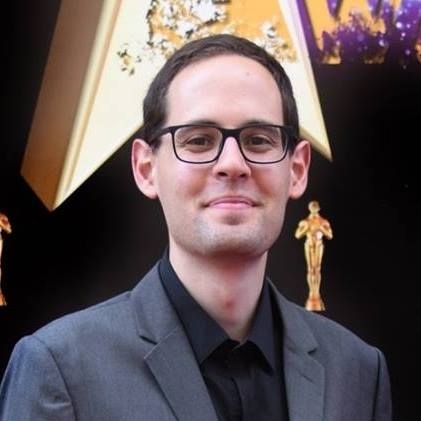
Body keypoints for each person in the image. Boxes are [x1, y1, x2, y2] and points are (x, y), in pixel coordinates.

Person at [0, 34, 392, 420]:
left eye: (258, 140)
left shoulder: (358, 371)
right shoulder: (61, 370)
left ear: (298, 169)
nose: (233, 164)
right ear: (146, 168)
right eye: (200, 140)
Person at [294, 200, 333, 311]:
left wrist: (321, 229)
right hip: (309, 245)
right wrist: (306, 228)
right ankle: (312, 294)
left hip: (319, 245)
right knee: (311, 270)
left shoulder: (323, 221)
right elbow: (297, 235)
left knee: (317, 269)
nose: (314, 210)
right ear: (310, 209)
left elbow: (330, 235)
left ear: (318, 209)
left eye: (315, 208)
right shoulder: (305, 222)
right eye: (312, 208)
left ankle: (316, 294)